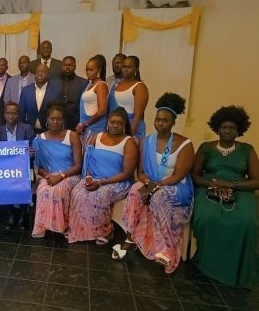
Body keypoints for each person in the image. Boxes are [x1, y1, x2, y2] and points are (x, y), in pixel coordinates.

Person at [112, 93, 194, 274]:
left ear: (173, 122)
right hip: (152, 182)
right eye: (157, 120)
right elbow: (140, 172)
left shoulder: (184, 144)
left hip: (175, 186)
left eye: (165, 121)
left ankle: (165, 250)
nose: (160, 124)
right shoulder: (146, 141)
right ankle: (131, 237)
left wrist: (157, 187)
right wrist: (148, 183)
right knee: (134, 191)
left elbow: (180, 174)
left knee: (159, 198)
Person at [191, 106, 259, 288]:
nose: (228, 131)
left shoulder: (247, 150)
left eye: (232, 128)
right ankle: (207, 264)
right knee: (206, 217)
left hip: (240, 189)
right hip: (209, 186)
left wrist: (232, 185)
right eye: (224, 127)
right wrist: (214, 184)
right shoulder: (206, 148)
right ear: (217, 128)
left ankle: (237, 269)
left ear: (239, 130)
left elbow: (256, 181)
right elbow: (195, 176)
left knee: (247, 221)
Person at [68, 107, 138, 244]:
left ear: (124, 125)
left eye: (119, 123)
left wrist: (101, 183)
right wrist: (88, 178)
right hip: (93, 177)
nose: (115, 126)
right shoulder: (97, 137)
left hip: (117, 182)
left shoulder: (129, 142)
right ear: (107, 122)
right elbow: (87, 161)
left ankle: (104, 231)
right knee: (77, 192)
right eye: (112, 122)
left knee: (99, 195)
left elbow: (127, 173)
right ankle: (82, 229)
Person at [32, 103, 83, 238]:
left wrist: (60, 176)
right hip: (48, 175)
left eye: (58, 119)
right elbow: (38, 167)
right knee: (43, 190)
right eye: (52, 118)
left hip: (69, 175)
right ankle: (44, 225)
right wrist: (48, 176)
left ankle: (62, 226)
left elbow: (78, 165)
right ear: (47, 120)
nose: (55, 121)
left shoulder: (72, 136)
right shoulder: (39, 139)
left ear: (63, 120)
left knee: (59, 190)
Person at [0, 102, 36, 230]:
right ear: (4, 115)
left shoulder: (26, 128)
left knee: (24, 183)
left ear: (18, 115)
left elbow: (32, 148)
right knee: (2, 183)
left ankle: (22, 214)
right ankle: (11, 214)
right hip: (5, 167)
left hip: (23, 166)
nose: (11, 116)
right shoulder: (0, 130)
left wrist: (31, 152)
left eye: (14, 113)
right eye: (8, 113)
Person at [108, 56, 149, 140]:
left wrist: (129, 136)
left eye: (129, 67)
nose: (126, 69)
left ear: (136, 69)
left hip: (133, 129)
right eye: (124, 67)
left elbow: (138, 115)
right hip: (116, 128)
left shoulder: (139, 87)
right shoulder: (117, 85)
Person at [19, 64, 62, 134]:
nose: (39, 74)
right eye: (37, 72)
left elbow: (60, 114)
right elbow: (21, 114)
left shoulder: (56, 90)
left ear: (48, 74)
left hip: (50, 131)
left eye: (43, 72)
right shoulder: (26, 90)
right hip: (31, 131)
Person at [76, 55, 109, 137]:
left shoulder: (101, 85)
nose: (88, 72)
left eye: (91, 70)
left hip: (95, 127)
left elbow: (102, 111)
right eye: (87, 70)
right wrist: (82, 124)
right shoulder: (90, 84)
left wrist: (86, 124)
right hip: (85, 126)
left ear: (99, 70)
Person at [59, 56, 88, 130]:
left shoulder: (83, 83)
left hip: (76, 124)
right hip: (58, 123)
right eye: (65, 65)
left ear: (74, 67)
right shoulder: (55, 81)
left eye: (70, 65)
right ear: (62, 66)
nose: (67, 67)